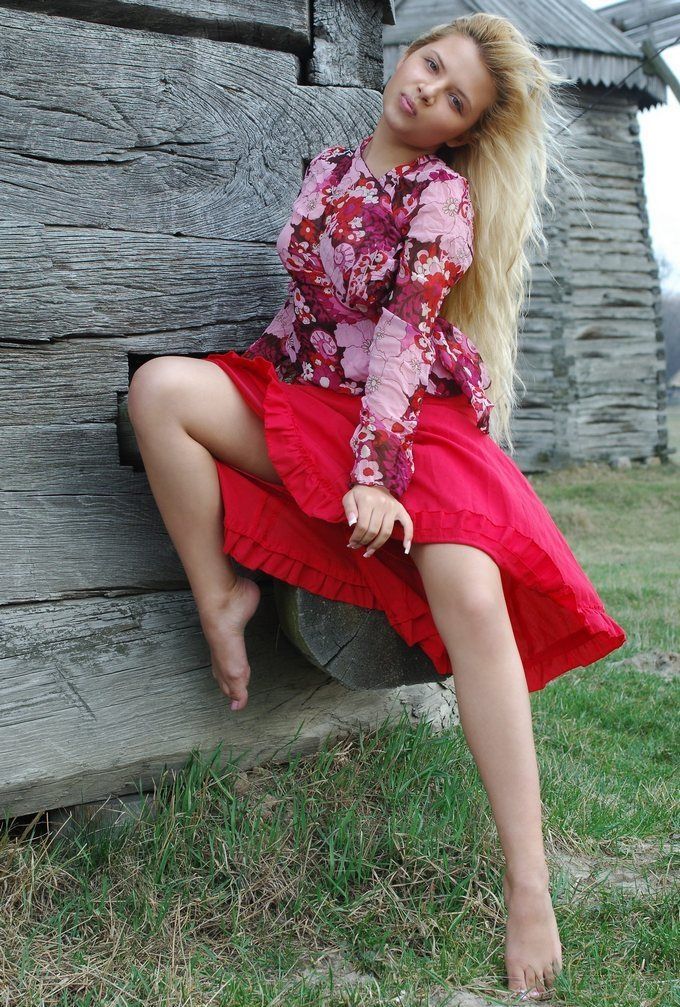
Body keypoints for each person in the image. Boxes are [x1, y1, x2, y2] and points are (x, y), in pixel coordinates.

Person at [127, 12, 627, 1000]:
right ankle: (219, 594)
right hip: (311, 393)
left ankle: (526, 882)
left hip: (406, 420)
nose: (428, 93)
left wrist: (370, 470)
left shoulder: (439, 200)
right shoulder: (326, 164)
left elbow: (402, 343)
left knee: (468, 584)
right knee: (161, 395)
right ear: (405, 53)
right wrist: (269, 401)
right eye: (430, 66)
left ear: (459, 133)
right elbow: (308, 308)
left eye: (454, 102)